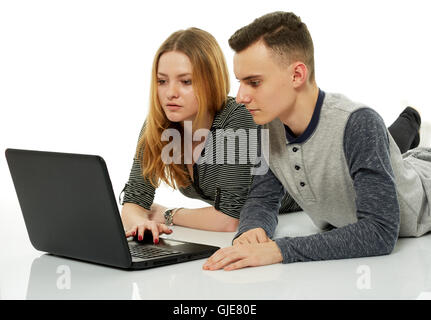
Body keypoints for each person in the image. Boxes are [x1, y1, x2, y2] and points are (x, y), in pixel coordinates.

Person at [120, 26, 419, 245]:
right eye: (162, 81)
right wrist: (141, 226)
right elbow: (134, 200)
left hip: (306, 189)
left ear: (210, 81)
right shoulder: (159, 124)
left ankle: (410, 120)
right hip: (278, 186)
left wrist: (168, 214)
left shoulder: (236, 118)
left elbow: (229, 220)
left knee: (388, 150)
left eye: (185, 81)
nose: (170, 93)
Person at [202, 11, 427, 271]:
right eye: (240, 82)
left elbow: (379, 231)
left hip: (424, 188)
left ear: (297, 75)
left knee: (374, 140)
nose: (240, 97)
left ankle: (412, 118)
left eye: (254, 82)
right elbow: (262, 198)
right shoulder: (266, 126)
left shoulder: (359, 123)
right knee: (379, 149)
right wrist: (252, 229)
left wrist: (279, 250)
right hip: (370, 152)